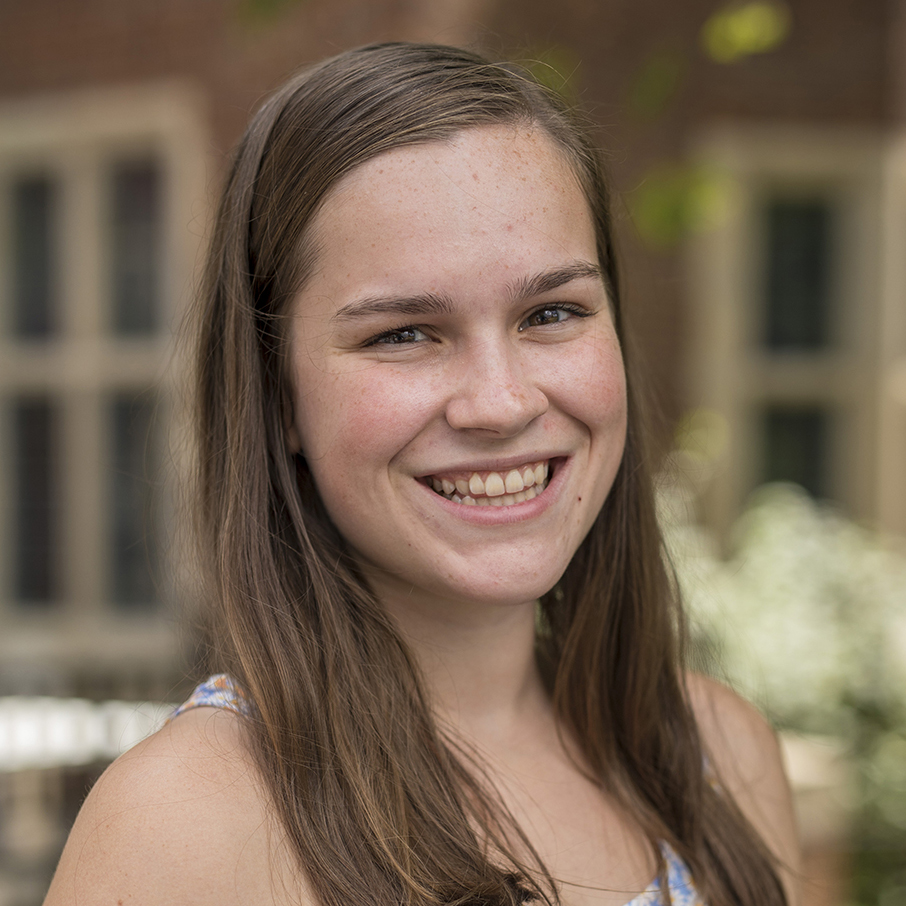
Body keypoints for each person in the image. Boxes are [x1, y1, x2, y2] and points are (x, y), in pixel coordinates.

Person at [44, 43, 799, 906]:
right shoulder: (185, 825)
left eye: (552, 312)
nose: (502, 403)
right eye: (403, 334)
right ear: (277, 395)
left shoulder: (717, 758)